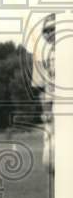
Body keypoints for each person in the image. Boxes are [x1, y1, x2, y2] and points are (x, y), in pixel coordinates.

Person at [32, 14, 55, 177]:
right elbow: (40, 88)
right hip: (53, 106)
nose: (48, 34)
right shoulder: (40, 55)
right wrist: (46, 110)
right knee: (50, 161)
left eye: (52, 29)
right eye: (45, 31)